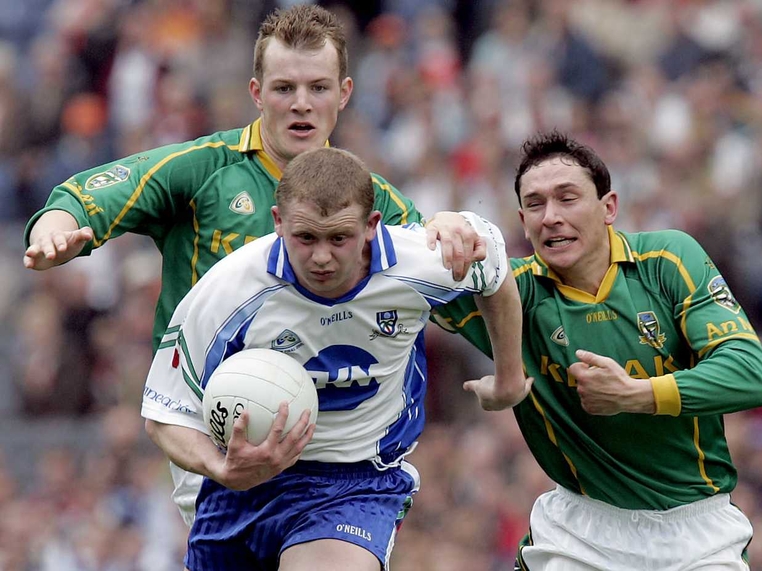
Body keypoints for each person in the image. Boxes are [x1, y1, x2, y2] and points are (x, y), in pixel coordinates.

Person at [22, 4, 481, 526]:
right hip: (215, 429)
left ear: (345, 94)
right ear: (257, 93)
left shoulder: (375, 202)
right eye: (285, 88)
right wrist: (54, 231)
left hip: (332, 441)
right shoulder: (203, 170)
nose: (301, 104)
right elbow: (84, 198)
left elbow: (466, 292)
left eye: (318, 88)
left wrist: (455, 232)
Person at [141, 146, 530, 571]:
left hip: (356, 479)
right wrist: (222, 467)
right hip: (243, 487)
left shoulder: (421, 261)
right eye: (305, 237)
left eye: (338, 238)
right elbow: (165, 414)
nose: (322, 257)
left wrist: (509, 375)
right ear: (277, 222)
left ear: (371, 225)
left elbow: (493, 268)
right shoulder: (229, 291)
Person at [432, 130, 762, 571]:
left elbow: (750, 373)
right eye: (535, 205)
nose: (550, 216)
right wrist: (442, 224)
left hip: (696, 530)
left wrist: (637, 394)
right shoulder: (511, 294)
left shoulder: (669, 260)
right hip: (580, 532)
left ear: (608, 207)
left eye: (567, 198)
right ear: (522, 221)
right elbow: (377, 240)